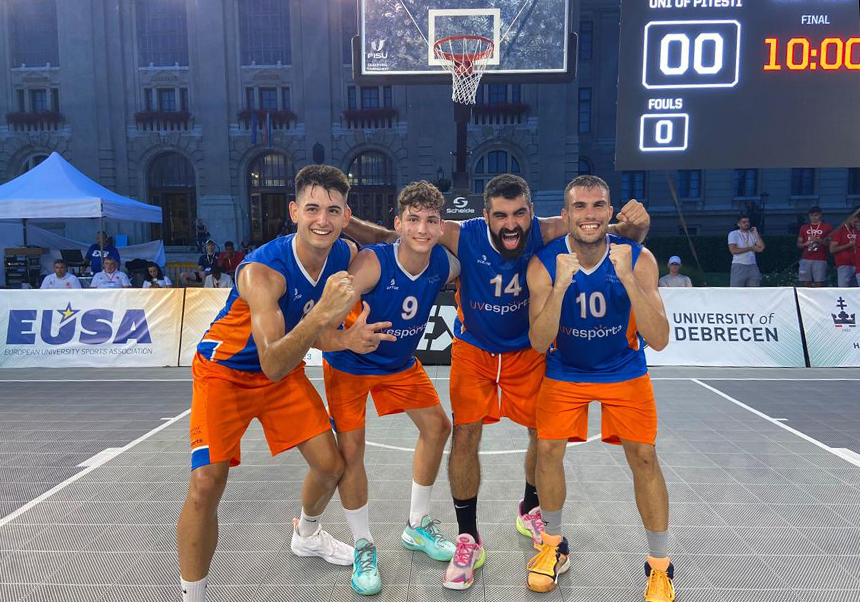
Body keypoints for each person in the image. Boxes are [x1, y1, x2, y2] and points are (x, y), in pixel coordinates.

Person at [343, 173, 650, 590]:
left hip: (528, 351)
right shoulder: (460, 234)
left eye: (519, 214)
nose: (511, 224)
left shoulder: (546, 230)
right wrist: (343, 222)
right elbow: (396, 234)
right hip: (476, 351)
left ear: (530, 213)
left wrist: (635, 223)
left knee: (543, 437)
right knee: (465, 436)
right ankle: (468, 535)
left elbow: (599, 230)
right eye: (501, 215)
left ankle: (530, 509)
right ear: (485, 215)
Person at [175, 165, 393, 602]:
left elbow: (389, 241)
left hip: (281, 372)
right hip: (227, 373)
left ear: (346, 216)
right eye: (311, 209)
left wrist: (344, 336)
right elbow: (274, 359)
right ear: (293, 211)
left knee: (331, 466)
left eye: (333, 211)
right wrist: (324, 315)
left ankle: (307, 536)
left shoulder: (342, 252)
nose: (322, 220)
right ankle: (192, 596)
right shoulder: (261, 272)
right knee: (206, 483)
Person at [526, 175, 672, 600]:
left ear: (610, 213)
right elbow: (537, 341)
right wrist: (560, 288)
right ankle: (553, 546)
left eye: (598, 206)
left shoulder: (638, 259)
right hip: (566, 369)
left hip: (623, 368)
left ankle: (659, 565)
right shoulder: (544, 262)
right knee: (548, 450)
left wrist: (627, 280)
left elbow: (660, 338)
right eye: (580, 207)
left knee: (644, 457)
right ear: (566, 214)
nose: (589, 215)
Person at [323, 181, 459, 595]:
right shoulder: (372, 263)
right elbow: (324, 315)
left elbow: (490, 267)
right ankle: (364, 544)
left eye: (431, 221)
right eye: (413, 220)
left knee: (438, 428)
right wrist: (347, 336)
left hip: (398, 363)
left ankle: (416, 526)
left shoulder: (443, 264)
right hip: (351, 363)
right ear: (398, 224)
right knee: (351, 452)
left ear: (440, 226)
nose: (422, 229)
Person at [797, 207, 832, 287]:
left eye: (816, 215)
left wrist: (818, 240)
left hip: (820, 258)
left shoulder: (826, 227)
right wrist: (806, 243)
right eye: (811, 215)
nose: (813, 217)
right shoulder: (804, 227)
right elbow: (799, 244)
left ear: (820, 215)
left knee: (819, 282)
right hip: (806, 257)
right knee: (805, 282)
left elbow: (830, 243)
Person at [727, 215, 764, 287]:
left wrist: (756, 233)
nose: (746, 224)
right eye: (744, 222)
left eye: (748, 222)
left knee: (754, 290)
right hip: (739, 265)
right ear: (739, 224)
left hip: (752, 265)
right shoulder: (734, 234)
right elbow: (733, 250)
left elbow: (761, 247)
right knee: (737, 290)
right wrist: (751, 248)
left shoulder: (752, 234)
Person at [829, 210, 859, 287]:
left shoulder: (856, 231)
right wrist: (848, 245)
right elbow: (832, 249)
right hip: (844, 264)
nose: (856, 224)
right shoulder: (840, 230)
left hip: (857, 265)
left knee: (855, 290)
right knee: (844, 289)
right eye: (855, 222)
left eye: (858, 222)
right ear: (850, 218)